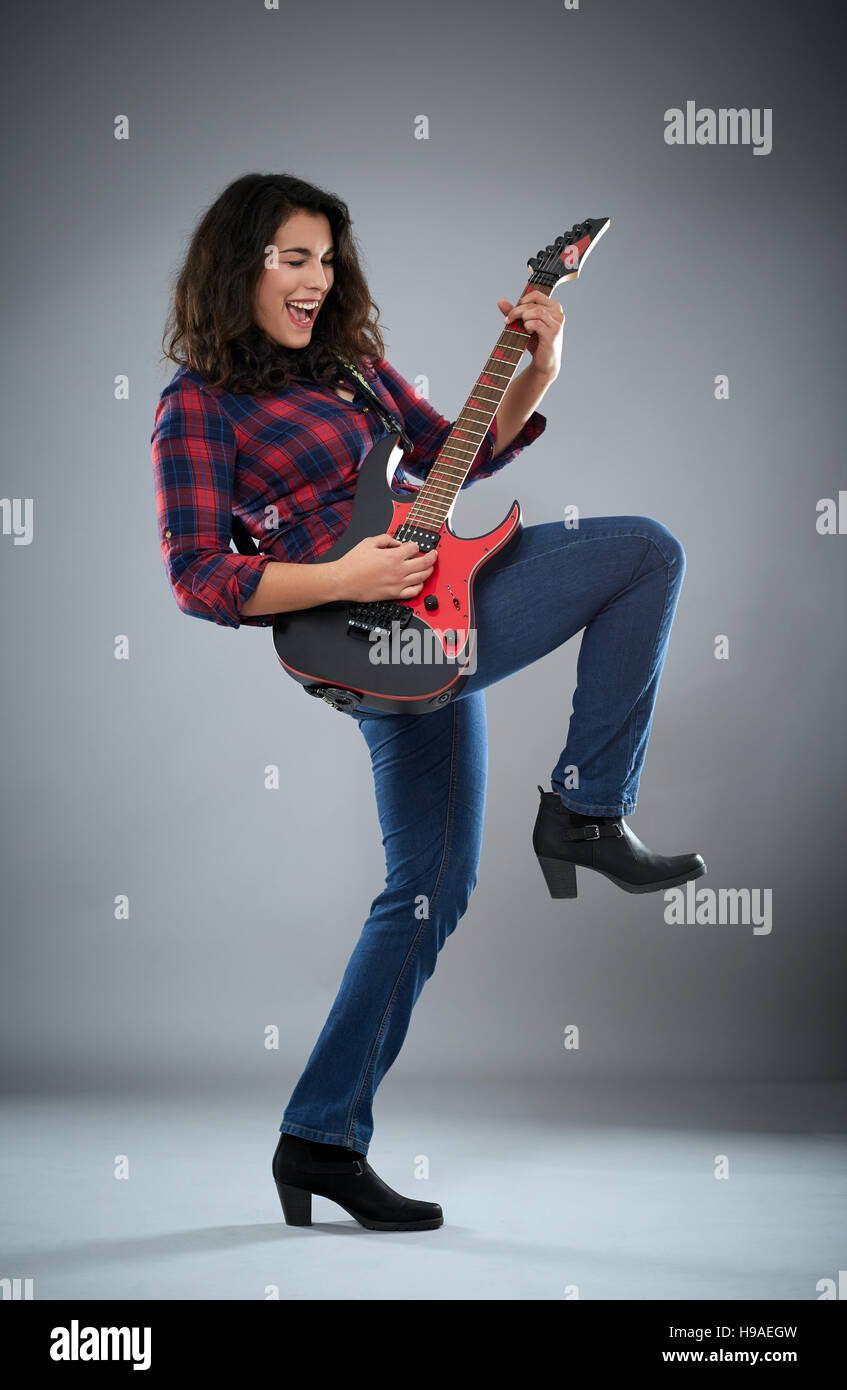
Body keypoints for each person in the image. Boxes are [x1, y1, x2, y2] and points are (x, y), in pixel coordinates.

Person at [151, 172, 705, 1234]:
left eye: (326, 257)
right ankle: (583, 813)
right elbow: (199, 577)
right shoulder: (197, 402)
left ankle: (318, 1138)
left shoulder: (352, 365)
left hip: (446, 585)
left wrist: (537, 365)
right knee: (642, 551)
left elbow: (463, 449)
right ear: (239, 267)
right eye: (291, 257)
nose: (316, 279)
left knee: (426, 891)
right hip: (365, 625)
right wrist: (344, 577)